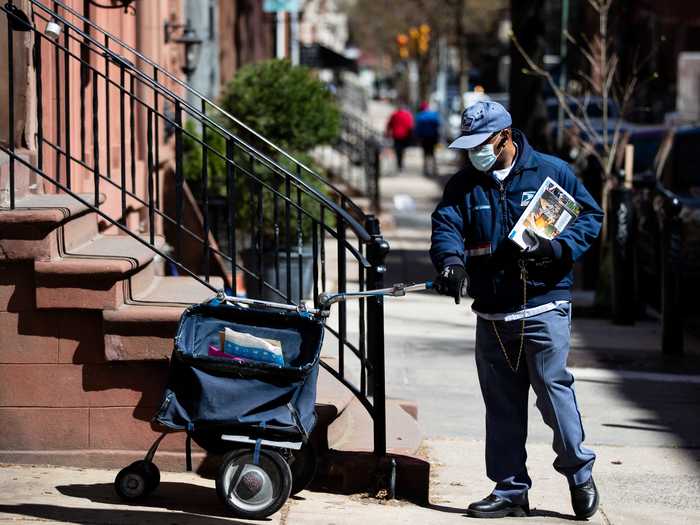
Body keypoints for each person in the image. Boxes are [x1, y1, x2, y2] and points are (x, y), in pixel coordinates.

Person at [430, 101, 603, 520]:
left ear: (504, 136)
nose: (474, 153)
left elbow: (589, 218)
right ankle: (510, 490)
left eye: (481, 143)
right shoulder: (464, 185)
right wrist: (450, 263)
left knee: (553, 394)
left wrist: (555, 247)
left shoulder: (551, 172)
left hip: (543, 306)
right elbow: (446, 226)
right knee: (503, 407)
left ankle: (579, 473)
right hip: (492, 313)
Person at [414, 101, 441, 177]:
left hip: (424, 138)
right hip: (433, 137)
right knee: (433, 153)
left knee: (425, 154)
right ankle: (434, 169)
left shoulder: (420, 116)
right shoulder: (433, 115)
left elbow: (418, 129)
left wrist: (417, 138)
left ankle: (425, 170)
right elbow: (438, 125)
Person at [385, 104, 414, 174]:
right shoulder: (407, 115)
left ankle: (399, 164)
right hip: (404, 135)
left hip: (396, 135)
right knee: (402, 150)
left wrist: (387, 132)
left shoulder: (394, 114)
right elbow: (410, 125)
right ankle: (400, 164)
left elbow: (389, 124)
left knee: (398, 150)